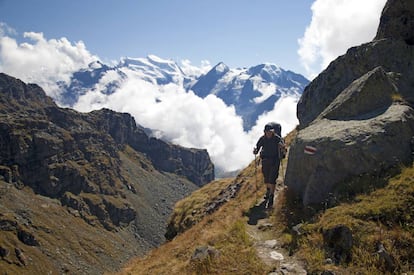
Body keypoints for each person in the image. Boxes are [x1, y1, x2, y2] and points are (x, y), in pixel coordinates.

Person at [253, 123, 285, 209]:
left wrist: (282, 147)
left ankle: (271, 196)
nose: (269, 133)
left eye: (270, 131)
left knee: (272, 179)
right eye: (267, 131)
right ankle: (268, 191)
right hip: (265, 160)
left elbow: (283, 147)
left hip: (275, 160)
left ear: (273, 131)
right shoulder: (262, 139)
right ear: (265, 132)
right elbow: (258, 147)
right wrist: (255, 151)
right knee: (266, 178)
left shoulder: (277, 138)